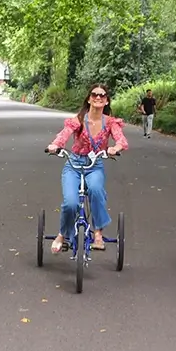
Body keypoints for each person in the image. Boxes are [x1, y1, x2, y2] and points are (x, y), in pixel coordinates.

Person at [46, 84, 128, 254]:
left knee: (97, 191)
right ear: (89, 98)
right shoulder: (79, 120)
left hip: (94, 165)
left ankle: (98, 233)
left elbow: (121, 140)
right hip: (74, 164)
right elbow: (65, 134)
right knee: (71, 203)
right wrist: (55, 145)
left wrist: (115, 148)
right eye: (94, 95)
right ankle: (63, 234)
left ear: (106, 101)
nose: (98, 98)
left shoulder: (110, 122)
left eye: (102, 96)